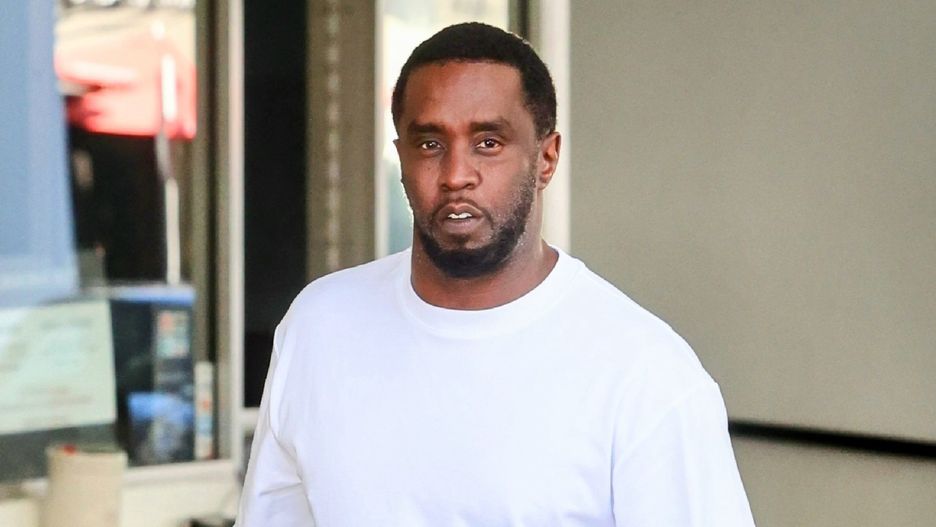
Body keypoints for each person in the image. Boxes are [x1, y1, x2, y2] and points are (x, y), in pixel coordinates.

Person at [236, 22, 755, 526]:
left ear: (546, 159)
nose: (456, 175)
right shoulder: (320, 326)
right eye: (430, 143)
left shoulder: (645, 374)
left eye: (488, 142)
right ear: (401, 158)